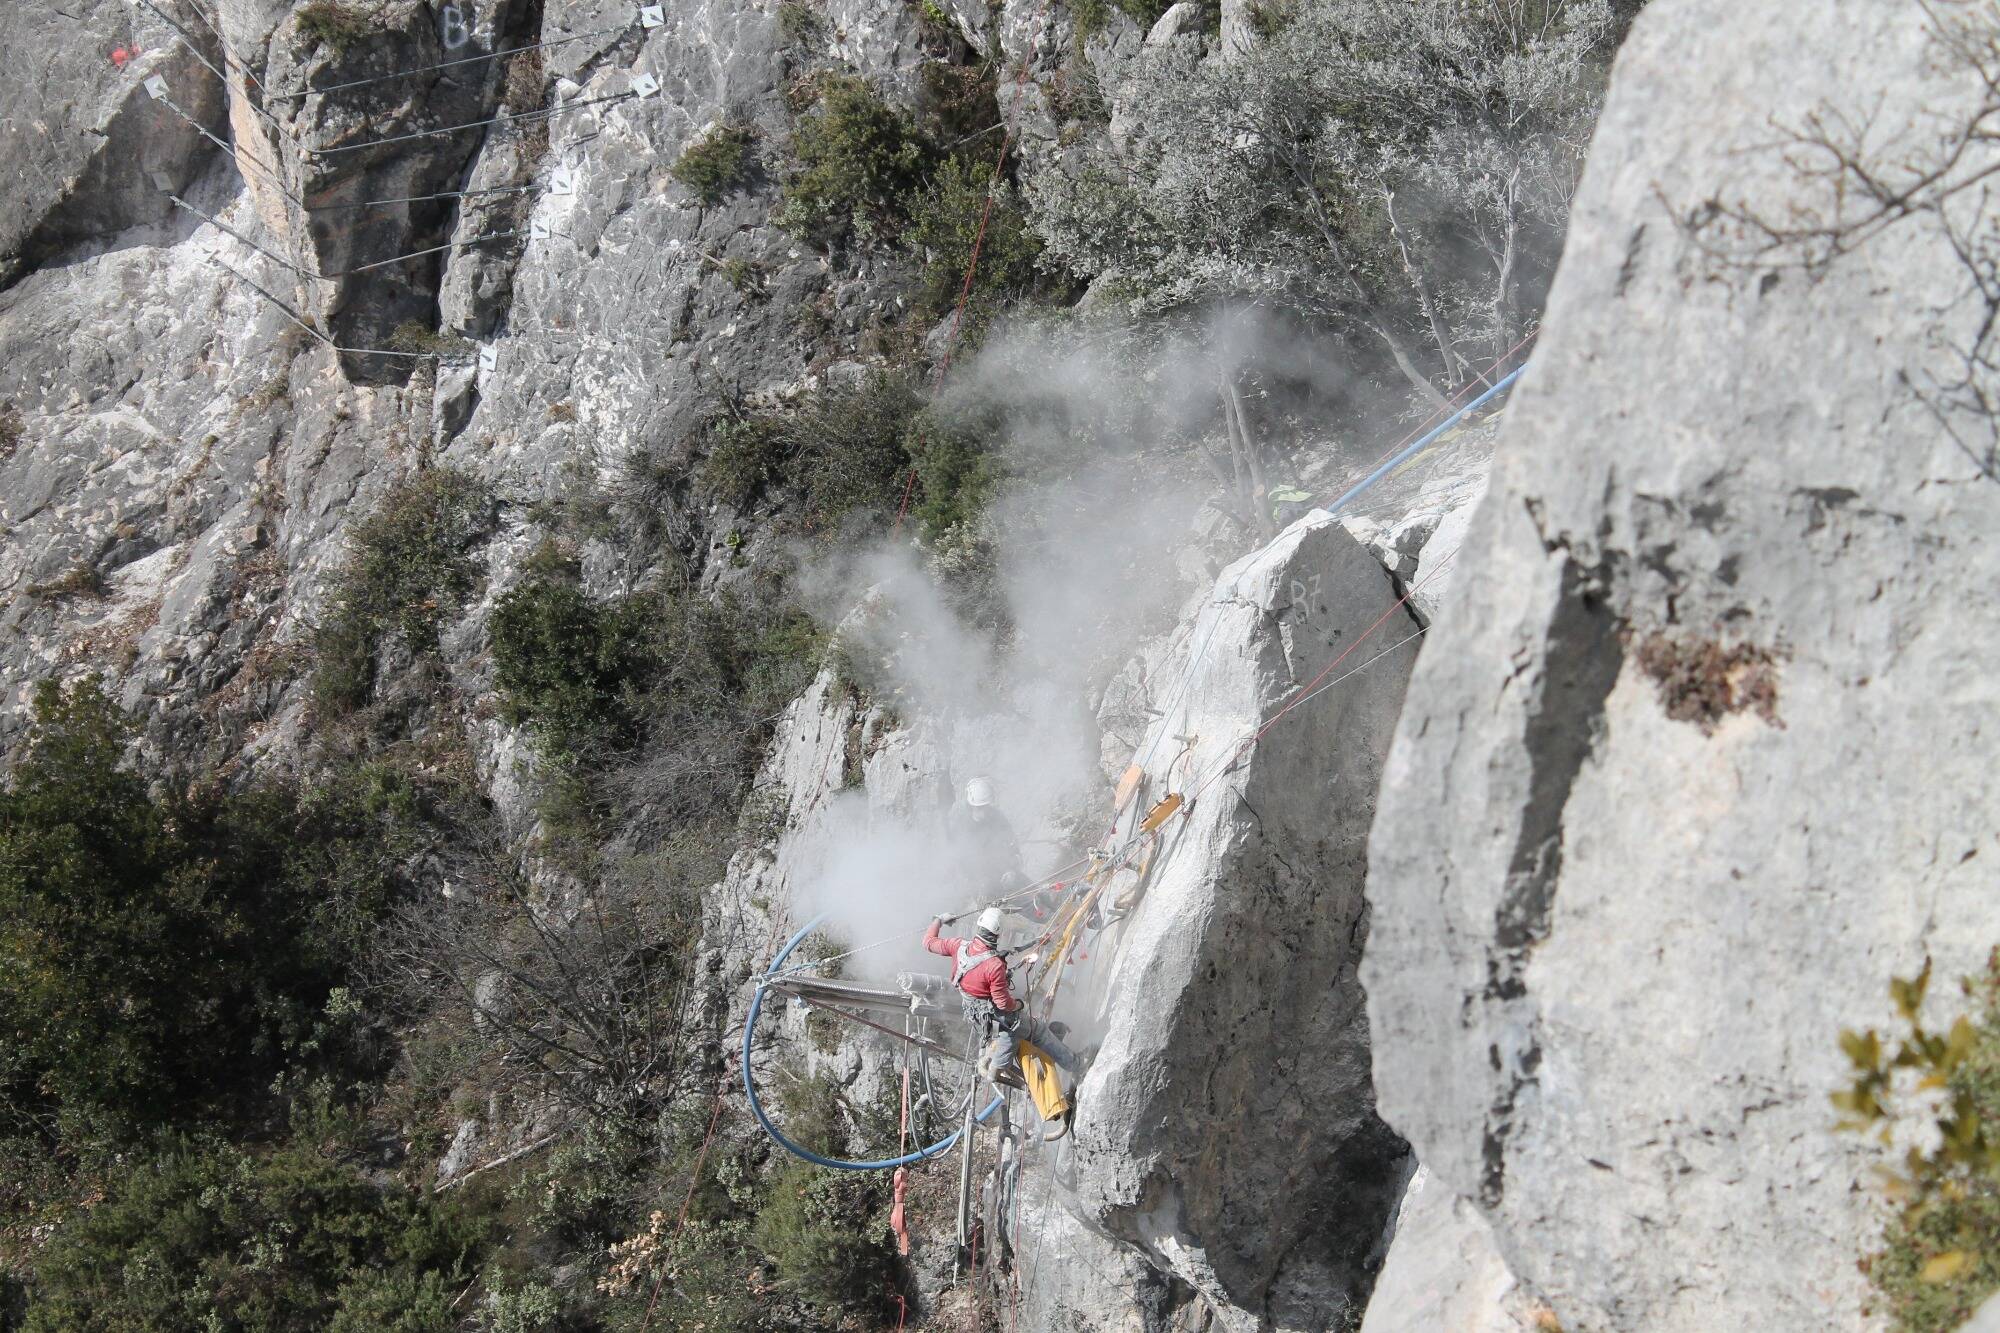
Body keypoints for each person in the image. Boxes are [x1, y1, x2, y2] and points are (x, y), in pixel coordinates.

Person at [923, 907, 1079, 1079]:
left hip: (972, 1010)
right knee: (1034, 1030)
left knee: (1012, 1029)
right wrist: (1020, 1004)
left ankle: (998, 1063)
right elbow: (1003, 1004)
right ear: (998, 934)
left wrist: (938, 920)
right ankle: (1075, 1064)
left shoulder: (958, 946)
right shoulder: (994, 965)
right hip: (993, 1013)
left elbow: (928, 942)